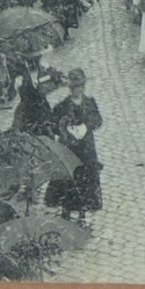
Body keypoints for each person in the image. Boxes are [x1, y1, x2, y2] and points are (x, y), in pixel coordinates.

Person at [44, 68, 103, 218]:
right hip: (69, 147)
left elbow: (98, 120)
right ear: (70, 88)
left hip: (86, 148)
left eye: (80, 86)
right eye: (74, 87)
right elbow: (52, 124)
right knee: (69, 179)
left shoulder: (90, 103)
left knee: (86, 177)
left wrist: (86, 126)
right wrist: (65, 129)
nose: (78, 90)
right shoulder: (63, 106)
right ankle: (66, 209)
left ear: (84, 86)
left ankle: (83, 210)